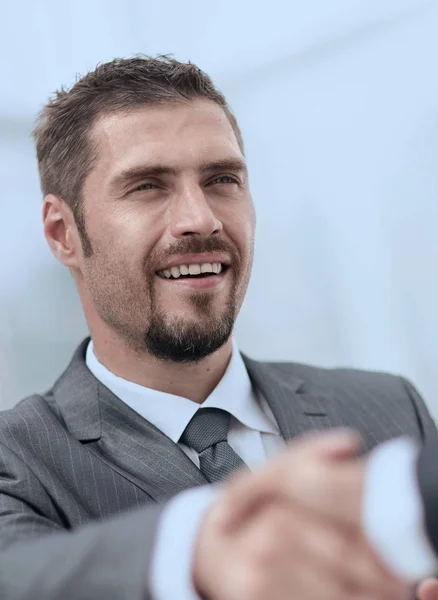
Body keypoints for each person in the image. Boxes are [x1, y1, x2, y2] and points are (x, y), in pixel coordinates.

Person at [0, 55, 436, 600]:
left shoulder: (390, 406)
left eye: (222, 178)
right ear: (63, 232)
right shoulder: (14, 462)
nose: (200, 217)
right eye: (147, 186)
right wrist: (202, 549)